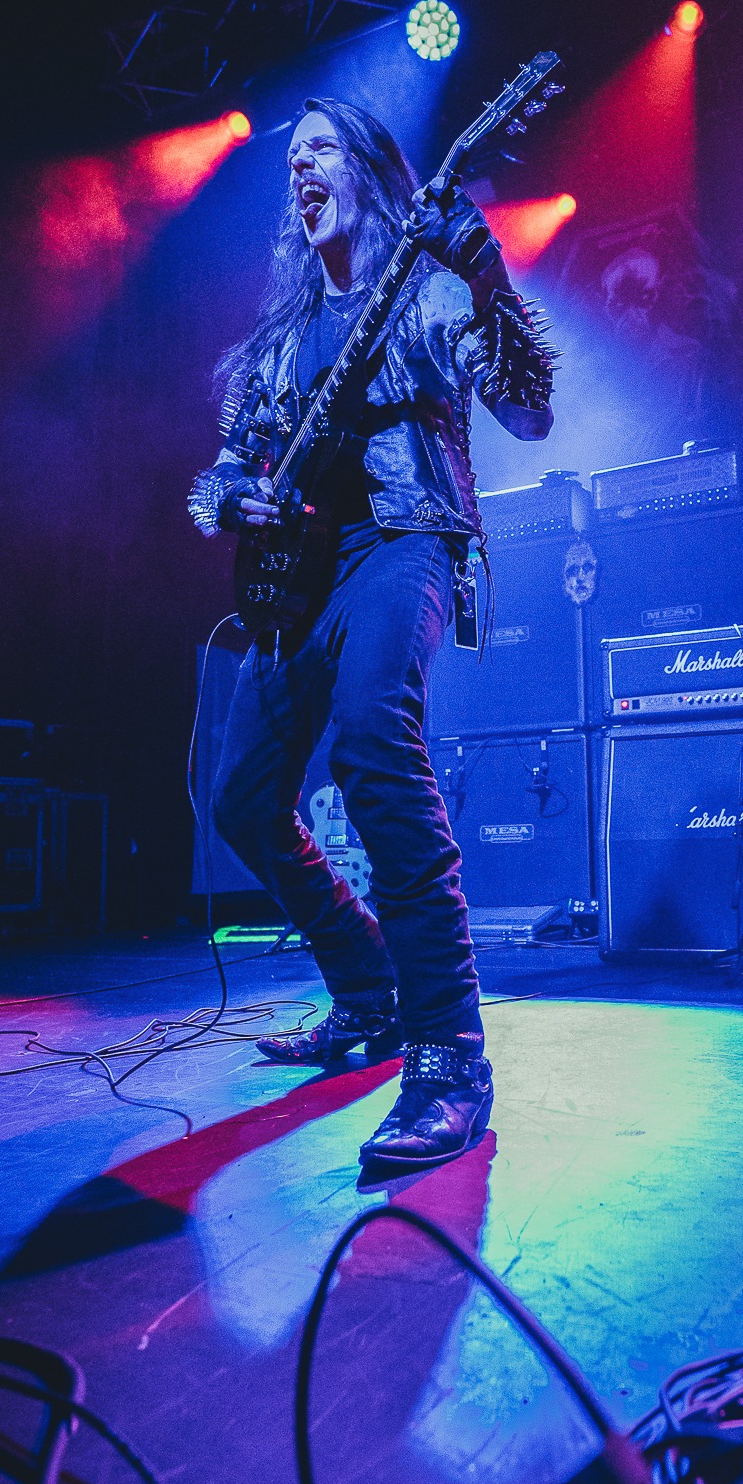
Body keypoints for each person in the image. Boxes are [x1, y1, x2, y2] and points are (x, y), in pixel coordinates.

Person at [188, 98, 555, 1170]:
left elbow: (530, 410)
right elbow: (224, 471)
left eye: (318, 151)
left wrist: (484, 271)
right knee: (240, 798)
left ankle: (448, 1054)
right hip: (295, 580)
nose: (298, 170)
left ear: (365, 169)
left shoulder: (428, 291)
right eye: (290, 160)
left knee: (369, 741)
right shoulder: (279, 338)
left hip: (402, 543)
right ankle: (366, 987)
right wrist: (233, 500)